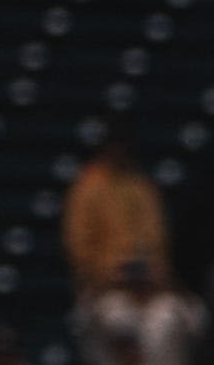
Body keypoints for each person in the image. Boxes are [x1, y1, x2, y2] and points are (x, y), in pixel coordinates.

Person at [59, 126, 169, 301]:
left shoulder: (140, 185)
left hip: (147, 285)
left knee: (181, 315)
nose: (121, 151)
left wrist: (156, 275)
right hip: (102, 288)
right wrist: (103, 276)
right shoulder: (88, 186)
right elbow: (78, 244)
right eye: (116, 145)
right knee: (120, 316)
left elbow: (157, 239)